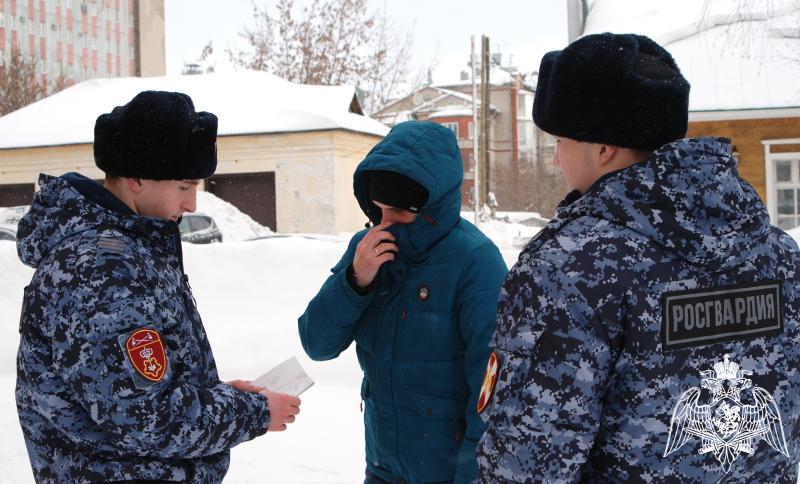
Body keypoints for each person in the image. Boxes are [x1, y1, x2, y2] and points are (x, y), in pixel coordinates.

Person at [476, 32, 800, 482]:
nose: (555, 158)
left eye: (561, 140)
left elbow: (527, 461)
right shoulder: (778, 255)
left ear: (603, 149)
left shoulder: (570, 267)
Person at [15, 90, 301, 483]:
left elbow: (135, 384)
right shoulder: (101, 269)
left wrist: (216, 394)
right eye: (184, 187)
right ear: (136, 178)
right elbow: (147, 418)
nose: (192, 205)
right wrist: (253, 412)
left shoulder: (129, 248)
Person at [298, 121, 507, 483]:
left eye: (399, 212)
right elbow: (316, 345)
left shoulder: (476, 262)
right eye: (378, 210)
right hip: (383, 465)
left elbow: (492, 395)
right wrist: (354, 281)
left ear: (432, 205)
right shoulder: (366, 250)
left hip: (446, 472)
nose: (386, 223)